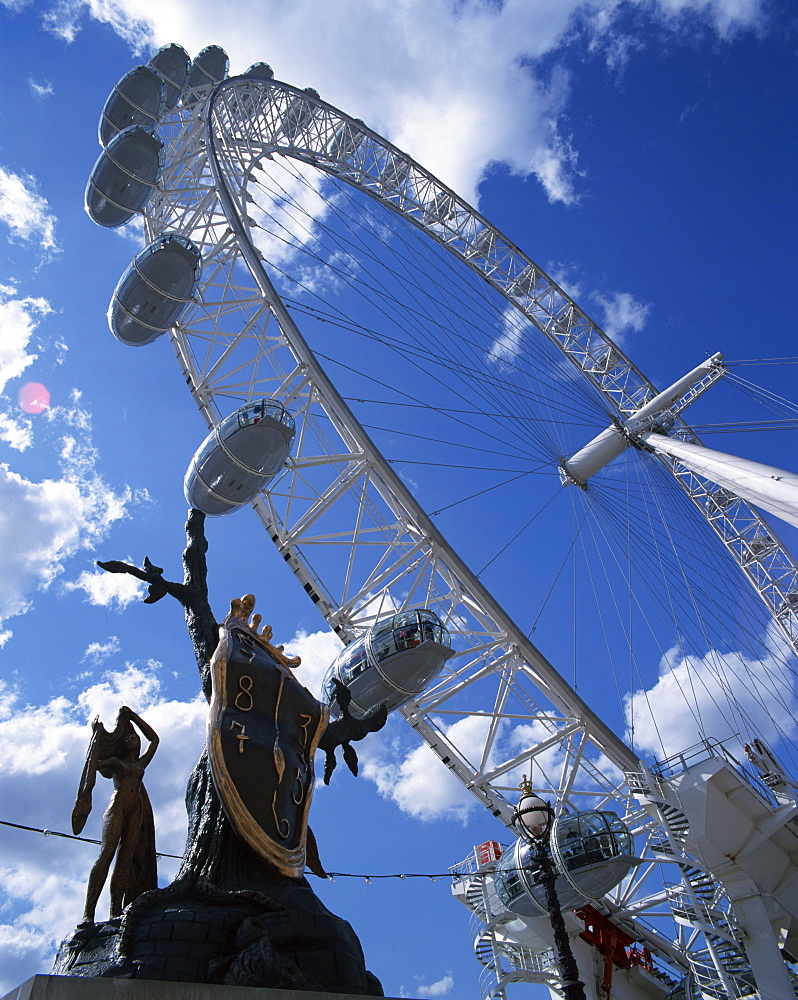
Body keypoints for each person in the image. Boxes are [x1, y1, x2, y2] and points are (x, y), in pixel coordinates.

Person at [75, 706, 159, 924]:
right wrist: (96, 736)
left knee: (126, 858)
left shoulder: (141, 763)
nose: (131, 739)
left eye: (134, 737)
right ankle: (88, 913)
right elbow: (92, 764)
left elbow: (155, 740)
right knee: (107, 854)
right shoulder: (115, 763)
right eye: (128, 737)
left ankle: (115, 910)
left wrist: (133, 717)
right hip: (118, 807)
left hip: (136, 809)